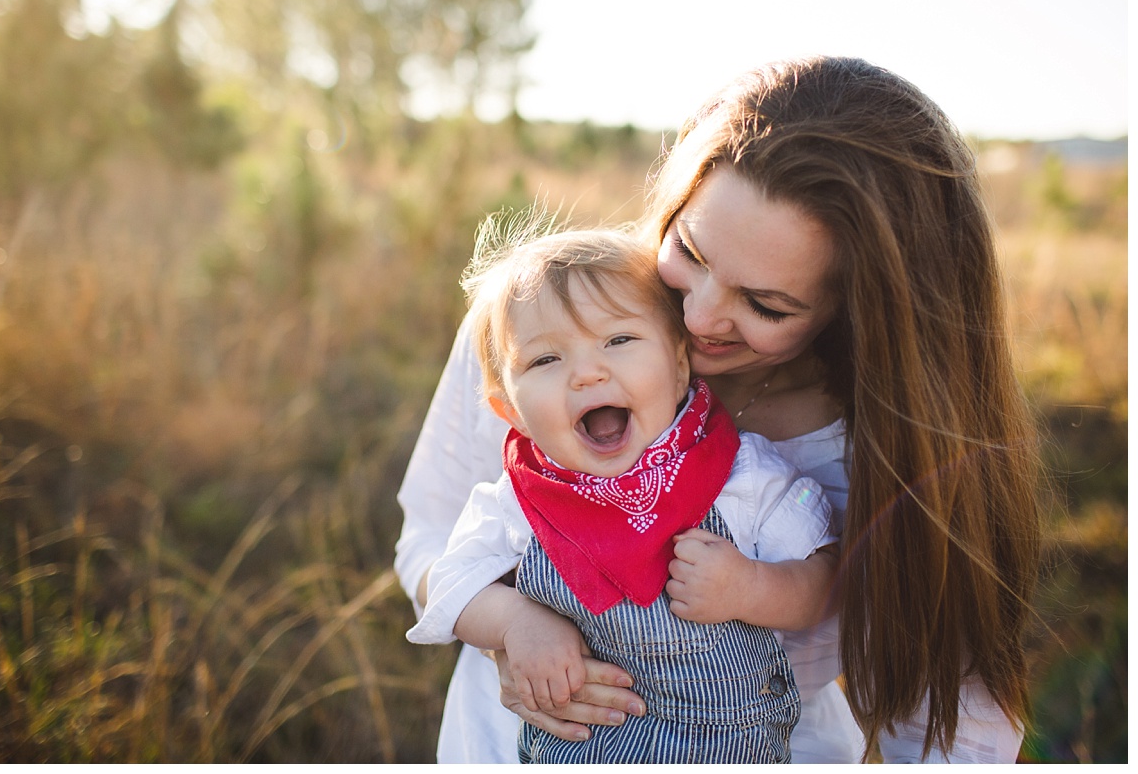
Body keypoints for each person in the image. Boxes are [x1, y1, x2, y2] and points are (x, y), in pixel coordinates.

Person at [395, 55, 1042, 763]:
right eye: (690, 251)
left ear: (861, 309)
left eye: (765, 304)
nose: (697, 316)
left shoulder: (886, 452)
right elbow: (430, 536)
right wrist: (508, 633)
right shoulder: (536, 328)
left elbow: (958, 726)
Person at [407, 222, 839, 762]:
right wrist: (514, 623)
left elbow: (826, 578)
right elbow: (451, 581)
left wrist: (752, 587)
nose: (587, 373)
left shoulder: (737, 473)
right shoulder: (520, 498)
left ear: (681, 364)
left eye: (619, 341)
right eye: (545, 360)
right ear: (509, 410)